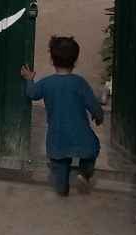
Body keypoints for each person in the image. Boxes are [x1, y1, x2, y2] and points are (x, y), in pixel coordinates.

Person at [21, 36, 104, 197]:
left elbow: (32, 93)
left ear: (52, 60)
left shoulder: (47, 83)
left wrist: (29, 79)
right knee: (92, 149)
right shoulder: (79, 83)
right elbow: (92, 104)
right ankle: (84, 173)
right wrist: (99, 116)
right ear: (75, 60)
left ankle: (62, 188)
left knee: (59, 163)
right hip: (80, 133)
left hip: (57, 135)